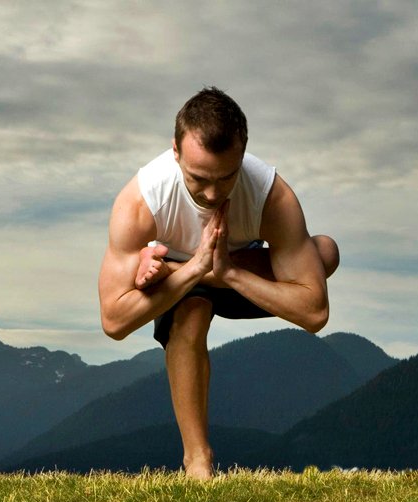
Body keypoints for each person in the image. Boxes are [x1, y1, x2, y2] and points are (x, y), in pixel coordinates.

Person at [98, 87, 339, 480]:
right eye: (198, 178)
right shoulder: (142, 200)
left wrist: (224, 272)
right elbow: (114, 322)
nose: (211, 193)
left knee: (325, 252)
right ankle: (197, 461)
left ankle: (189, 273)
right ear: (175, 152)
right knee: (192, 311)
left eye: (225, 178)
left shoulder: (271, 196)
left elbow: (314, 314)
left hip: (232, 273)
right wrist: (192, 272)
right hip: (184, 285)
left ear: (242, 156)